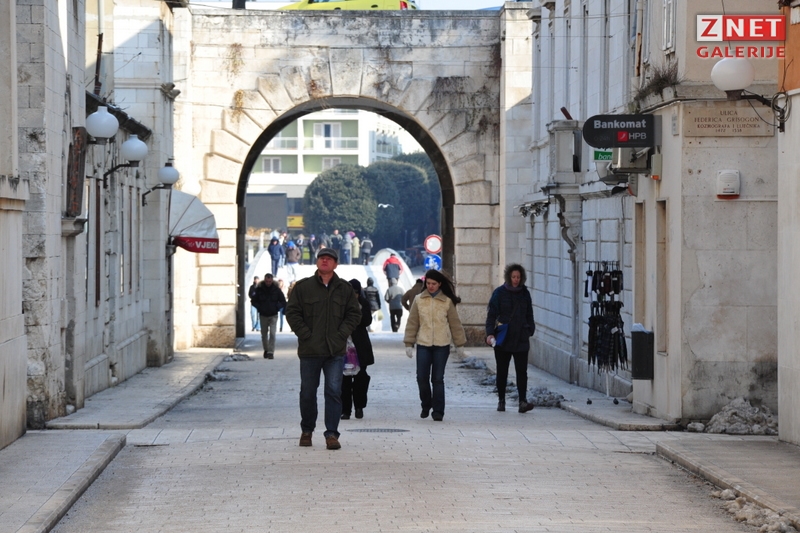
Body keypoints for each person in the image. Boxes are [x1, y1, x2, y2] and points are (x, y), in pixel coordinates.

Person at [285, 248, 361, 450]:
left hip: (334, 351)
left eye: (329, 259)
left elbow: (354, 314)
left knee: (333, 392)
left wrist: (341, 334)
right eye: (321, 258)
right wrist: (305, 334)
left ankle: (332, 434)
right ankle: (307, 430)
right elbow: (292, 312)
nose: (324, 261)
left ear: (336, 264)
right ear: (317, 262)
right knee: (307, 393)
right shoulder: (303, 287)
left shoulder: (344, 289)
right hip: (310, 350)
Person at [403, 269, 466, 422]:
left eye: (434, 284)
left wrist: (459, 344)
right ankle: (426, 404)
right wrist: (409, 343)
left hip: (441, 345)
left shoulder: (447, 301)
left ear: (439, 284)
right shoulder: (419, 300)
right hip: (423, 344)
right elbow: (412, 322)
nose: (430, 286)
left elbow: (455, 323)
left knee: (437, 379)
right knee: (421, 377)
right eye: (428, 283)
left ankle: (438, 411)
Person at [485, 264, 536, 413]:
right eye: (513, 277)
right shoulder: (499, 293)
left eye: (518, 277)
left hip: (521, 337)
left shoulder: (525, 293)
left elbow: (529, 313)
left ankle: (522, 401)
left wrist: (530, 329)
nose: (516, 280)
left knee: (522, 372)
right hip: (504, 338)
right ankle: (501, 400)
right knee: (502, 371)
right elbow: (491, 315)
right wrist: (490, 333)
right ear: (509, 277)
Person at [341, 279, 375, 420]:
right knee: (344, 380)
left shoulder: (363, 303)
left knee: (360, 378)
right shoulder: (340, 304)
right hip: (344, 346)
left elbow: (367, 321)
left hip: (360, 346)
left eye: (355, 292)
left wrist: (357, 310)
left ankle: (359, 407)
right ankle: (345, 410)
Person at [251, 273, 286, 359]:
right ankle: (266, 349)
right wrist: (259, 307)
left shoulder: (276, 290)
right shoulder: (259, 289)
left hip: (273, 315)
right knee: (264, 334)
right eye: (267, 281)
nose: (268, 283)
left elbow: (283, 301)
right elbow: (253, 300)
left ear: (272, 280)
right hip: (263, 315)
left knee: (272, 334)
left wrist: (277, 307)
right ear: (264, 280)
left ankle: (271, 351)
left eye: (269, 281)